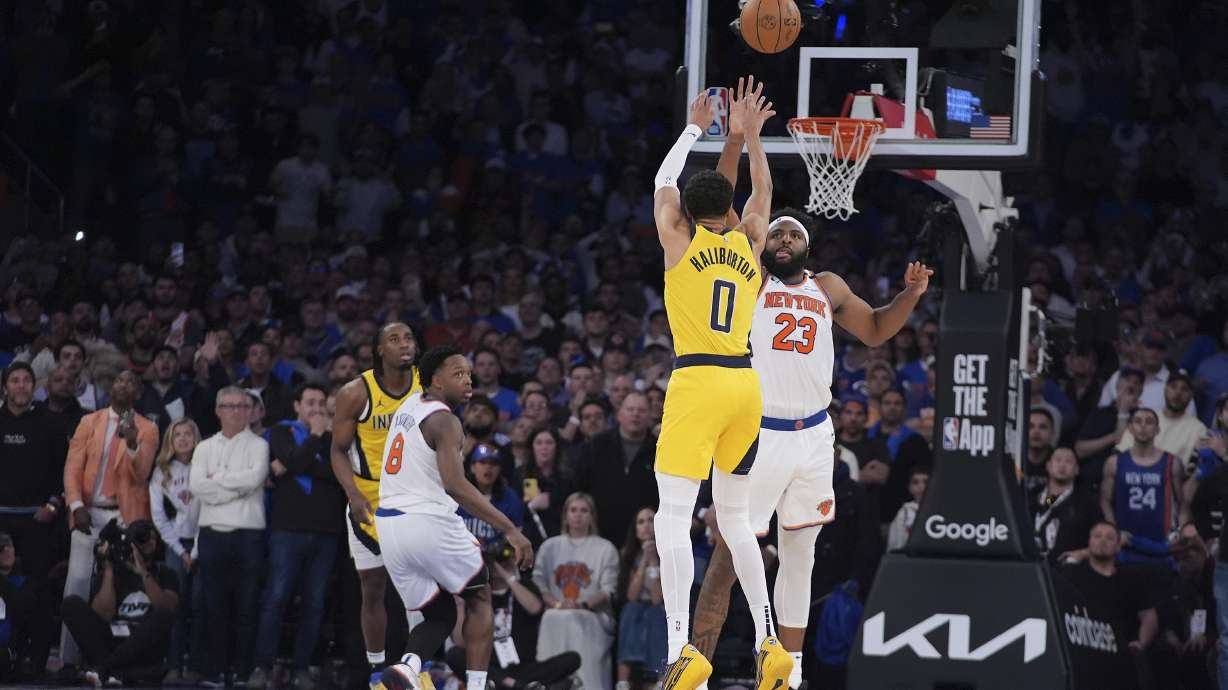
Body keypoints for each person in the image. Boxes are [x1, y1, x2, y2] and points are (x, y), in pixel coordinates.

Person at [690, 204, 930, 688]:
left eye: (791, 235)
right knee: (730, 555)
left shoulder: (828, 287)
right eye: (775, 233)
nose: (781, 240)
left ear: (806, 245)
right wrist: (744, 140)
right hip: (761, 433)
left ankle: (787, 675)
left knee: (801, 556)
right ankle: (693, 667)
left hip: (815, 436)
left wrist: (911, 294)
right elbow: (740, 214)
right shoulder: (751, 278)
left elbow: (878, 328)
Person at [648, 77, 789, 690]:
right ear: (728, 212)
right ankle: (769, 642)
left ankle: (682, 648)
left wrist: (692, 128)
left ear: (686, 213)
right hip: (746, 385)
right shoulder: (749, 238)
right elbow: (764, 189)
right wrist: (750, 136)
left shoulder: (677, 238)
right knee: (735, 522)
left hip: (699, 380)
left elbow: (661, 184)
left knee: (672, 519)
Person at [375, 344, 533, 690]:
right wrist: (510, 530)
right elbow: (456, 485)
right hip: (425, 521)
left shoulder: (409, 406)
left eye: (469, 374)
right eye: (458, 373)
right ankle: (476, 686)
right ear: (434, 379)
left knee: (441, 612)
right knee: (479, 594)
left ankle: (407, 666)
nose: (468, 381)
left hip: (389, 526)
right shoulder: (446, 420)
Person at [329, 322, 420, 686]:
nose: (404, 344)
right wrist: (352, 494)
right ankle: (376, 669)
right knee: (373, 588)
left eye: (409, 337)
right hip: (368, 496)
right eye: (394, 339)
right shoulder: (356, 392)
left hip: (414, 496)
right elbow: (337, 450)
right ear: (380, 349)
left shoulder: (427, 386)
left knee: (419, 591)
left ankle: (417, 668)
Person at [250, 383, 346, 689]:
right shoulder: (281, 432)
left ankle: (303, 667)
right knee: (276, 598)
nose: (317, 409)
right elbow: (297, 460)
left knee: (315, 603)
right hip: (286, 530)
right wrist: (314, 442)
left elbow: (337, 474)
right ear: (297, 406)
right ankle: (262, 667)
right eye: (310, 403)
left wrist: (293, 465)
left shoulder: (338, 438)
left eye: (321, 404)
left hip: (326, 531)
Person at [61, 370, 159, 668]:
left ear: (138, 392)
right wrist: (76, 504)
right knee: (77, 581)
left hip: (124, 515)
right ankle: (68, 661)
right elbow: (72, 467)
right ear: (111, 387)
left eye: (131, 381)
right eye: (119, 379)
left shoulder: (148, 428)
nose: (123, 384)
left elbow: (140, 474)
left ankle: (115, 660)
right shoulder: (89, 421)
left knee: (121, 585)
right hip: (87, 511)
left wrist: (131, 444)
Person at [190, 386, 270, 687]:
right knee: (213, 604)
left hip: (248, 533)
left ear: (250, 411)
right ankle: (215, 671)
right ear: (218, 410)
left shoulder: (259, 445)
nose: (236, 411)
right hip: (212, 533)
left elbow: (255, 478)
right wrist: (235, 489)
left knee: (247, 605)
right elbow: (198, 486)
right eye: (229, 406)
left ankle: (242, 671)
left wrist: (218, 482)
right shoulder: (204, 447)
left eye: (241, 406)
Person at [61, 519, 179, 688]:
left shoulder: (165, 572)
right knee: (71, 604)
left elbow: (168, 608)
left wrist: (143, 573)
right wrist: (109, 569)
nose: (151, 542)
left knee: (163, 615)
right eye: (144, 538)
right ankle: (115, 671)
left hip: (143, 644)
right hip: (113, 640)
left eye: (154, 538)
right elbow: (103, 615)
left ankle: (105, 669)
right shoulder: (115, 570)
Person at [532, 492, 620, 690]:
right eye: (573, 510)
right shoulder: (550, 547)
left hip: (594, 614)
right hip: (556, 610)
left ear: (592, 516)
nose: (578, 515)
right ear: (565, 515)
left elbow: (608, 590)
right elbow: (539, 583)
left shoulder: (605, 548)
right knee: (552, 617)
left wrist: (580, 604)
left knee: (572, 617)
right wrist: (556, 603)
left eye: (583, 510)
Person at [1058, 522, 1158, 690]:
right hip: (1082, 646)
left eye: (1109, 538)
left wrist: (1141, 642)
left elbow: (1149, 615)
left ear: (1118, 547)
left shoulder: (1131, 577)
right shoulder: (1072, 574)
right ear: (1088, 543)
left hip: (1121, 648)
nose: (1102, 541)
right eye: (1097, 536)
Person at [148, 419, 204, 685]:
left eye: (187, 434)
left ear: (196, 437)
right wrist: (182, 551)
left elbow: (210, 509)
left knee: (200, 604)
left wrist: (196, 551)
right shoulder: (161, 472)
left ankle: (196, 665)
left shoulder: (205, 465)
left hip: (204, 542)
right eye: (177, 434)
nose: (182, 439)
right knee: (176, 605)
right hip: (175, 544)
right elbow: (159, 518)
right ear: (170, 440)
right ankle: (173, 665)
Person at [572, 391, 659, 548]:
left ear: (649, 416)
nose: (635, 415)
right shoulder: (596, 445)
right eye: (630, 409)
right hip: (598, 535)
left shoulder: (660, 448)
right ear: (619, 414)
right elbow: (579, 487)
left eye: (641, 410)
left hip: (644, 539)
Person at [1100, 408, 1185, 565]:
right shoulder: (1114, 462)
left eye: (1149, 422)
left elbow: (1182, 503)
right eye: (1138, 421)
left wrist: (1181, 532)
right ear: (1130, 428)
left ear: (1158, 429)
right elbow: (1105, 501)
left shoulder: (1172, 463)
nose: (1143, 426)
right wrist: (1114, 531)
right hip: (1125, 544)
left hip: (1161, 545)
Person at [616, 508, 667, 690]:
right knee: (630, 610)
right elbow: (631, 595)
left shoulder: (668, 554)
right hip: (636, 607)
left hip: (659, 608)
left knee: (656, 614)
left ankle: (660, 680)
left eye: (651, 520)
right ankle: (622, 682)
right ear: (636, 530)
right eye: (641, 522)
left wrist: (654, 562)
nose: (646, 526)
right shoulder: (627, 554)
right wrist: (644, 560)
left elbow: (657, 598)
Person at [1029, 447, 1102, 563]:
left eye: (1068, 461)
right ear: (1048, 466)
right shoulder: (1033, 497)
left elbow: (1101, 539)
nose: (1062, 465)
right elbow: (1051, 502)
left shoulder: (1087, 502)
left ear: (1077, 469)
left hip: (1068, 569)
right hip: (1031, 565)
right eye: (1058, 460)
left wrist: (1082, 554)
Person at [0, 532, 53, 683]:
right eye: (1, 547)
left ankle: (34, 667)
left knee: (42, 604)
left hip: (9, 654)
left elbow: (22, 606)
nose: (7, 550)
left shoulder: (27, 583)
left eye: (9, 545)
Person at [886, 467, 930, 551]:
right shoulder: (905, 512)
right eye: (915, 482)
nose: (921, 486)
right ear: (909, 488)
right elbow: (896, 542)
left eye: (925, 482)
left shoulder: (938, 512)